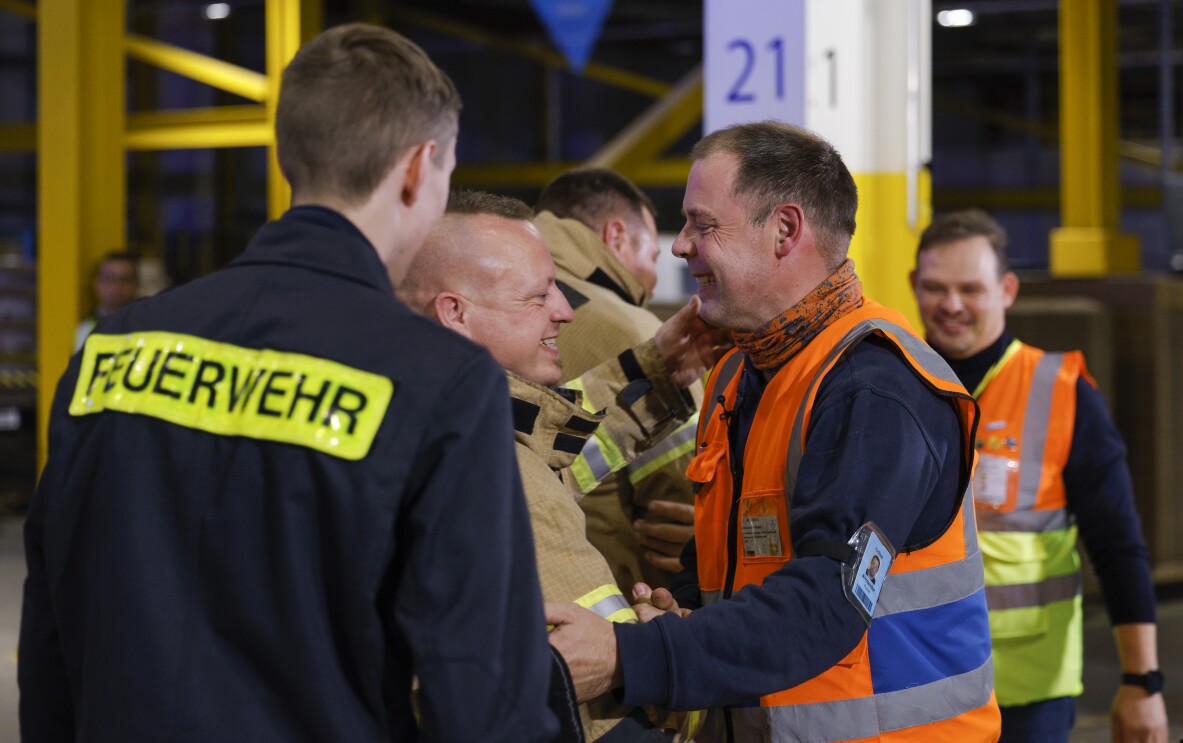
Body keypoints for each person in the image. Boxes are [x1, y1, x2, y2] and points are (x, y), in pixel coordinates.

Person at [20, 24, 561, 742]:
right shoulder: (441, 380)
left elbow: (52, 626)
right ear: (417, 168)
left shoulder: (115, 349)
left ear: (288, 154)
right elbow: (482, 690)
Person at [546, 120, 1001, 742]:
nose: (680, 247)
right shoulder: (737, 373)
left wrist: (632, 657)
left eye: (703, 225)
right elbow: (729, 560)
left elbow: (822, 605)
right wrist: (676, 607)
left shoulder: (875, 389)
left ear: (785, 230)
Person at [399, 189, 725, 741]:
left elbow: (549, 455)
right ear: (454, 312)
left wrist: (655, 373)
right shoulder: (490, 469)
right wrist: (656, 653)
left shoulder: (418, 415)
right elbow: (600, 709)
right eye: (536, 296)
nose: (565, 311)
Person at [911, 209, 1168, 743]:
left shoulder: (1061, 390)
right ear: (914, 285)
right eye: (936, 288)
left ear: (1007, 289)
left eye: (970, 289)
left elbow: (1117, 543)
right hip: (914, 682)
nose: (951, 305)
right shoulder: (893, 387)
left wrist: (1142, 681)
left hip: (1028, 696)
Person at [534, 167, 700, 594]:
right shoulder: (637, 330)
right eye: (652, 257)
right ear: (616, 237)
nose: (655, 279)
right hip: (612, 602)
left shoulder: (492, 295)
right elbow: (681, 496)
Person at [73, 251, 139, 351]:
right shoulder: (85, 329)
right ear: (96, 283)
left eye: (124, 279)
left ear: (136, 285)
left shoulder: (147, 326)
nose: (117, 285)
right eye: (109, 278)